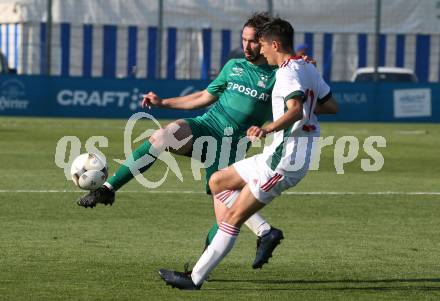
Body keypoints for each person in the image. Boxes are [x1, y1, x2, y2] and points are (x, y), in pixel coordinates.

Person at [77, 13, 285, 269]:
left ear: (265, 42)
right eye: (243, 39)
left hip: (231, 145)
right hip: (206, 126)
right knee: (161, 136)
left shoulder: (280, 75)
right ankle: (107, 189)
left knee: (226, 219)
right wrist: (164, 103)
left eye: (252, 41)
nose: (246, 46)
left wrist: (304, 64)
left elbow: (305, 93)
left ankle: (202, 269)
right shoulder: (234, 66)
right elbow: (203, 97)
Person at [158, 17, 338, 290]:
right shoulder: (305, 67)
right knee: (217, 181)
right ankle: (266, 232)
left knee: (232, 218)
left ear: (275, 44)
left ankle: (194, 278)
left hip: (285, 160)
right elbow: (331, 106)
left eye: (263, 45)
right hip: (276, 154)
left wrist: (268, 128)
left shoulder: (289, 72)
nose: (261, 51)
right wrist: (303, 114)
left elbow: (295, 110)